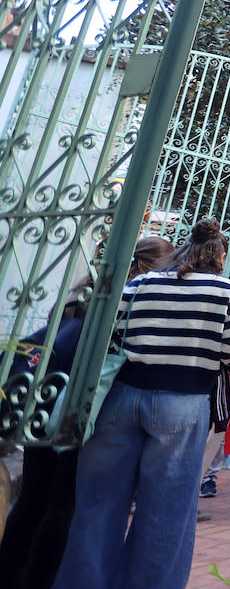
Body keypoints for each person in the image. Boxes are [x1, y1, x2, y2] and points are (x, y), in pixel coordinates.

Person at [52, 219, 230, 589]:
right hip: (183, 403)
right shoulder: (227, 292)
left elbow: (112, 335)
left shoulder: (142, 283)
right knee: (165, 513)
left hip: (123, 396)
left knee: (97, 507)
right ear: (219, 255)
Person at [0, 236, 173, 589]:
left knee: (33, 498)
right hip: (81, 413)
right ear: (145, 269)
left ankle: (8, 576)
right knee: (64, 506)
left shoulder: (78, 296)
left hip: (43, 406)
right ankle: (37, 581)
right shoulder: (124, 305)